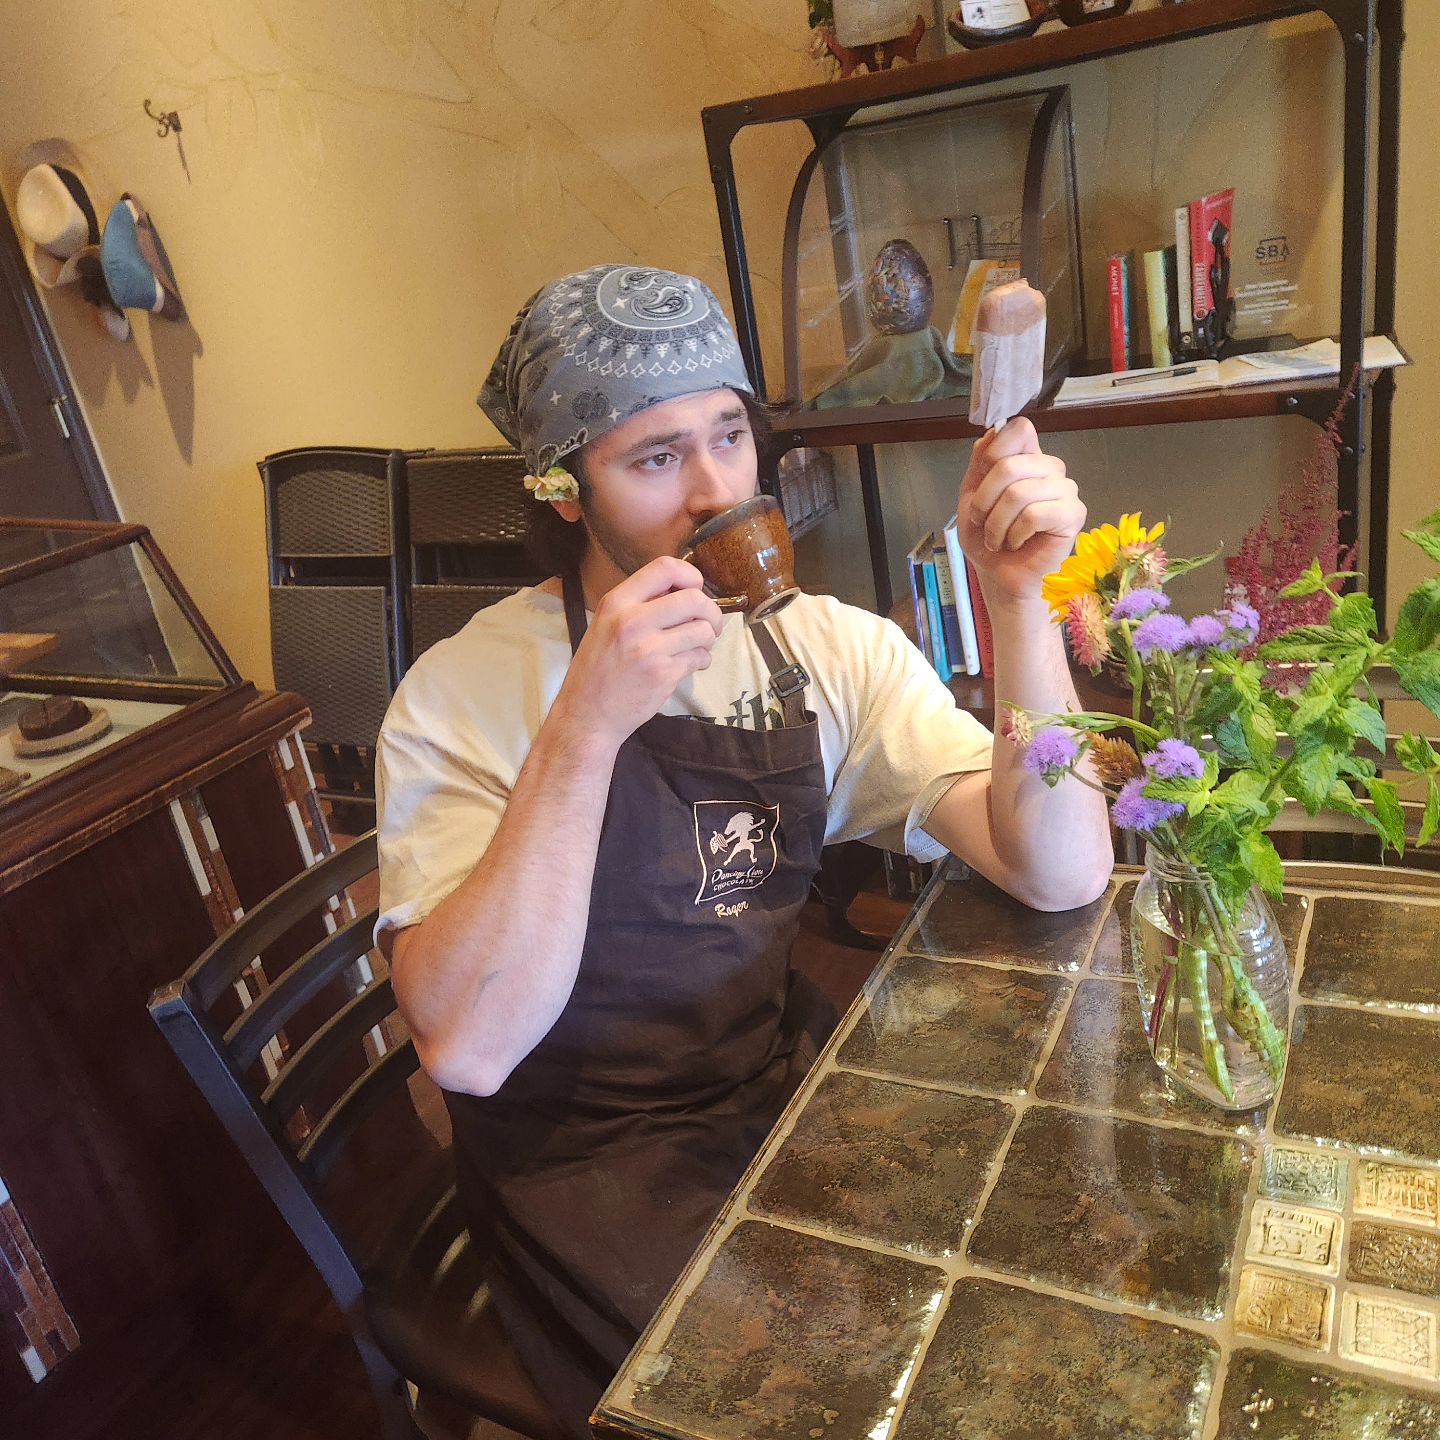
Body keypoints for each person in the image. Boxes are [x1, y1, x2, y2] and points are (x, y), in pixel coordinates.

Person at [376, 263, 1112, 1432]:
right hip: (583, 1157)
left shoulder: (827, 648)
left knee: (1017, 1307)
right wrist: (585, 728)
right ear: (564, 491)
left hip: (774, 1085)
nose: (718, 492)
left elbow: (1059, 870)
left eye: (729, 435)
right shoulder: (459, 694)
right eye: (655, 458)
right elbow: (467, 1047)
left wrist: (1019, 601)